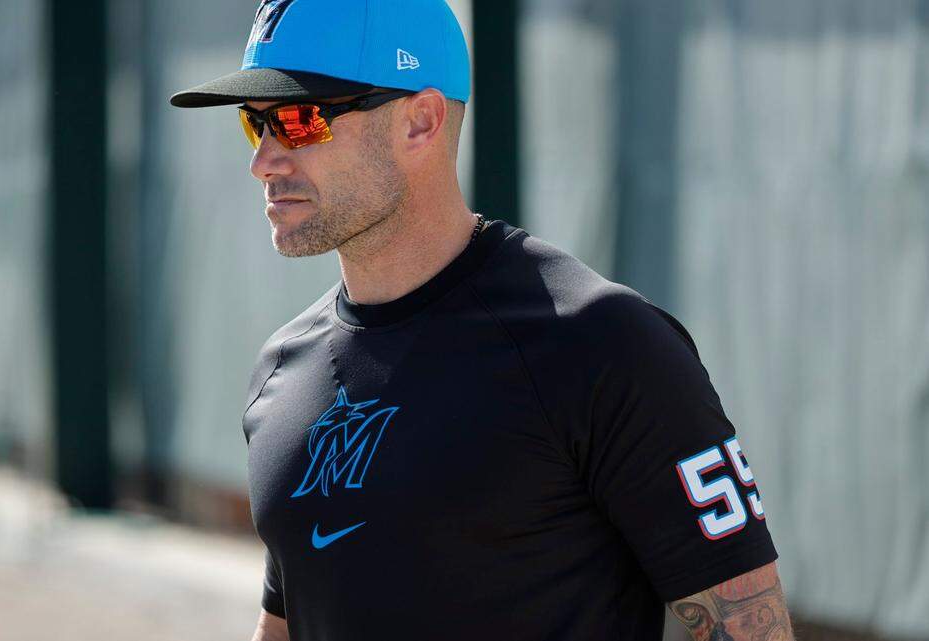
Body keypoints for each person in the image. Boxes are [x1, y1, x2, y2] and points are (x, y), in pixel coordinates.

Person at [171, 1, 795, 639]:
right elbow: (288, 623)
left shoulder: (598, 341)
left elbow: (750, 629)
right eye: (255, 123)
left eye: (299, 121)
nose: (263, 161)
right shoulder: (283, 369)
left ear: (420, 121)